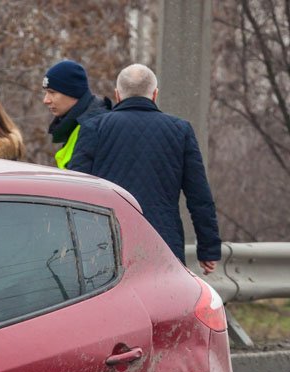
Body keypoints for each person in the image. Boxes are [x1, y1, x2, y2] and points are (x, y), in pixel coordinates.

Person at [69, 64, 220, 273]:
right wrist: (208, 249)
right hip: (164, 242)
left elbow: (75, 190)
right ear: (155, 94)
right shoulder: (180, 130)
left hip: (107, 244)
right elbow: (199, 196)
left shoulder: (93, 128)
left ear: (117, 95)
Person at [42, 59, 111, 169]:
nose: (46, 100)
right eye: (46, 93)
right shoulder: (77, 124)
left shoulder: (93, 127)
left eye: (52, 92)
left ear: (73, 93)